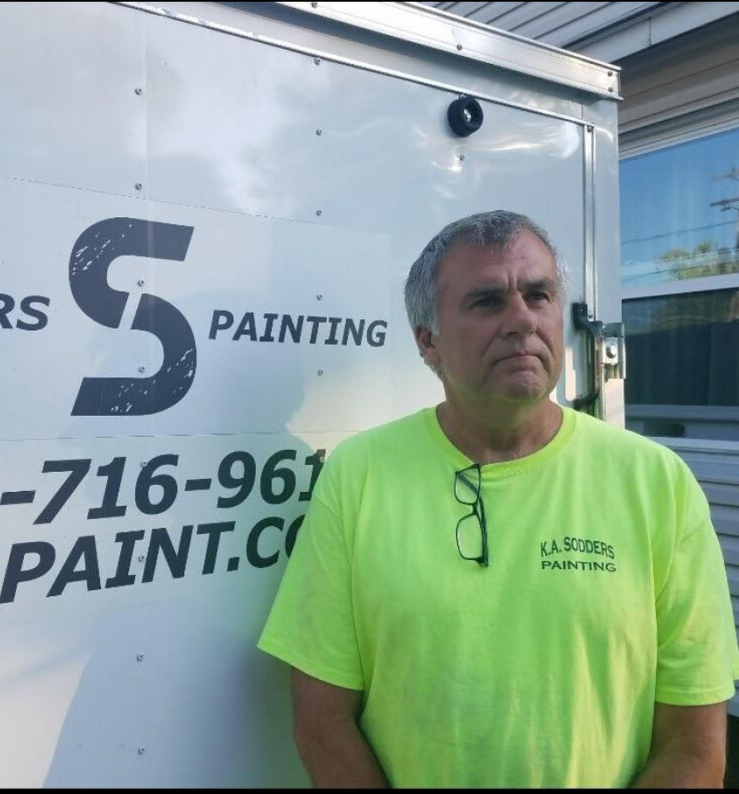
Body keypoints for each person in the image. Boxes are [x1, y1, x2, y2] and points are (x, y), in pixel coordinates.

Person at [257, 210, 739, 788]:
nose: (522, 321)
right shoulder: (358, 475)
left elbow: (695, 744)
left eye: (539, 295)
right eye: (487, 302)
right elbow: (321, 722)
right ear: (427, 342)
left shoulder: (657, 483)